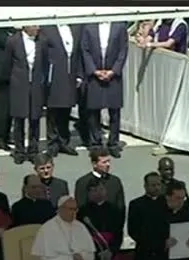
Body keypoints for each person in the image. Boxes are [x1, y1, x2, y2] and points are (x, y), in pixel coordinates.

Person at [81, 22, 129, 158]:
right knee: (93, 111)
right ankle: (96, 143)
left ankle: (113, 143)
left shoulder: (119, 27)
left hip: (113, 75)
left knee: (114, 111)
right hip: (95, 74)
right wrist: (94, 71)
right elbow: (85, 50)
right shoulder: (88, 27)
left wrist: (114, 71)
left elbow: (123, 50)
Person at [8, 26, 48, 164]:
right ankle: (19, 151)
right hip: (19, 84)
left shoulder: (42, 41)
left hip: (36, 84)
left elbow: (46, 62)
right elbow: (7, 63)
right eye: (34, 25)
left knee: (35, 119)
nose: (37, 28)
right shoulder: (13, 41)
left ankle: (33, 150)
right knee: (19, 119)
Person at [41, 24, 83, 157]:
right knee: (53, 110)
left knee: (66, 108)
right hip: (54, 74)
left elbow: (79, 53)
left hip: (70, 74)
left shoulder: (76, 28)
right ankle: (53, 143)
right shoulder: (47, 29)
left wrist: (79, 74)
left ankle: (64, 141)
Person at [77, 178, 125, 260]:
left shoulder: (114, 210)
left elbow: (118, 233)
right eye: (94, 190)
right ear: (88, 193)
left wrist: (111, 250)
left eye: (101, 189)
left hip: (109, 252)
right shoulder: (82, 211)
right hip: (91, 253)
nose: (98, 192)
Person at [127, 172, 165, 260]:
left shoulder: (166, 203)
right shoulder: (136, 204)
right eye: (153, 185)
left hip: (164, 254)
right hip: (144, 253)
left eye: (158, 184)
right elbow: (133, 230)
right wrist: (152, 243)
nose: (156, 188)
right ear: (145, 186)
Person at [74, 148, 126, 213]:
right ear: (94, 164)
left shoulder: (115, 181)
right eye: (104, 162)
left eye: (108, 161)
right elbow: (81, 207)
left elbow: (121, 206)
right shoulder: (83, 182)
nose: (108, 164)